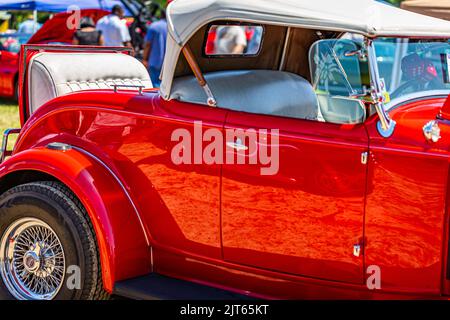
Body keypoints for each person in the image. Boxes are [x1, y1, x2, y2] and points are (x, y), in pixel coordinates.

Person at [143, 12, 168, 87]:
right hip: (169, 63)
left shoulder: (154, 26)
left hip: (155, 62)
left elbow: (148, 44)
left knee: (155, 87)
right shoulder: (174, 27)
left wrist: (145, 59)